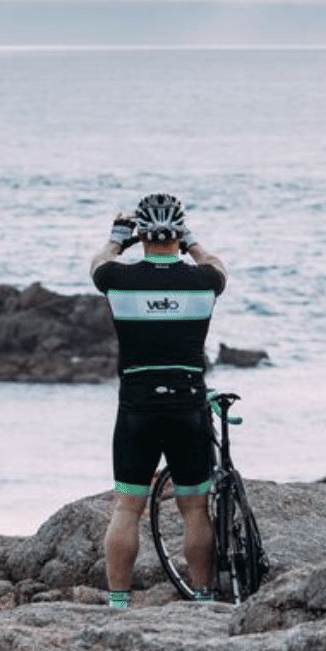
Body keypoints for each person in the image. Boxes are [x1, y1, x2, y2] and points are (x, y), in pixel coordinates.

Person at [90, 192, 228, 610]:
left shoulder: (118, 279)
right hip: (187, 404)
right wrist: (193, 243)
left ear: (142, 235)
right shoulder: (205, 282)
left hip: (137, 406)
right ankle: (203, 597)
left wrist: (117, 238)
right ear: (178, 235)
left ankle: (118, 601)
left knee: (127, 506)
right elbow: (217, 266)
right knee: (194, 507)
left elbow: (98, 264)